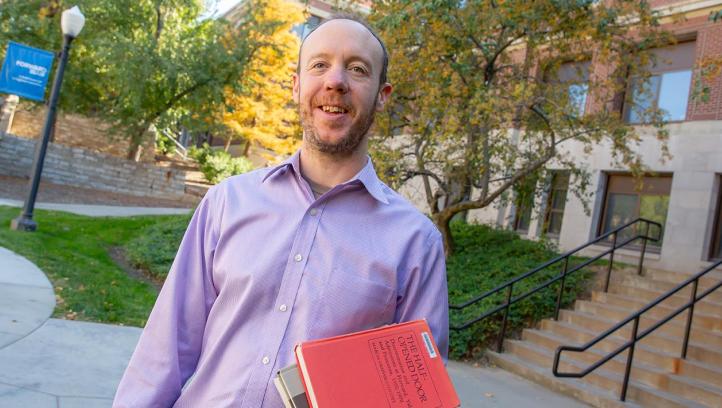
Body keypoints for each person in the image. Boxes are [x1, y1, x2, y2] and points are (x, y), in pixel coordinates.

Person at [113, 15, 449, 408]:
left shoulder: (415, 242)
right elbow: (164, 351)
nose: (335, 81)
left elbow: (420, 394)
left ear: (382, 95)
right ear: (296, 85)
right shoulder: (227, 203)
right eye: (319, 65)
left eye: (357, 69)